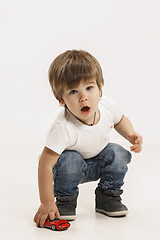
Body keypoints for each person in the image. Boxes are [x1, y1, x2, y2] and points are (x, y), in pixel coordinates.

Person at [33, 50, 142, 228]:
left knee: (118, 153)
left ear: (100, 89)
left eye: (89, 88)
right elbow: (45, 164)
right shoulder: (62, 127)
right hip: (67, 169)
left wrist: (130, 134)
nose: (83, 97)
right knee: (71, 159)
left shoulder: (107, 106)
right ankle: (66, 199)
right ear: (62, 99)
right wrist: (46, 202)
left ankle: (108, 195)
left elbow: (120, 119)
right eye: (73, 91)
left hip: (98, 161)